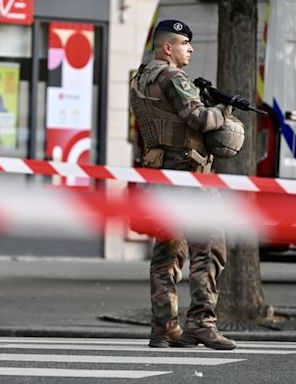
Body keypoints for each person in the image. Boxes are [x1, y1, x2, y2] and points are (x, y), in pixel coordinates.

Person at [130, 19, 237, 350]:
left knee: (166, 256)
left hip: (160, 179)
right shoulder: (173, 77)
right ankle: (202, 324)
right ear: (167, 48)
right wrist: (223, 109)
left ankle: (163, 328)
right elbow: (200, 120)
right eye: (184, 43)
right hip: (190, 178)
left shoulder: (139, 79)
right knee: (208, 249)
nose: (190, 49)